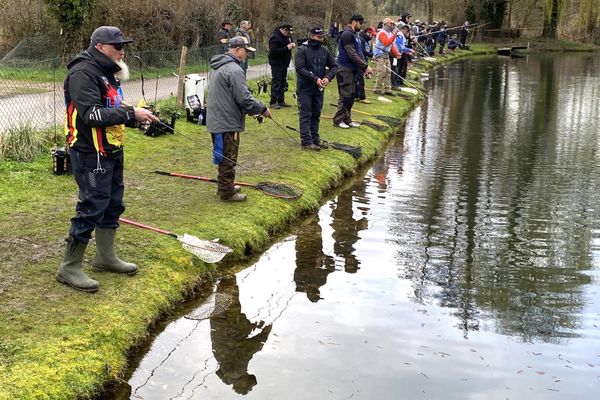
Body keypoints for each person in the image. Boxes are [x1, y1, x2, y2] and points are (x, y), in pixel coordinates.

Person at [57, 26, 158, 293]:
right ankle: (70, 267)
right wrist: (130, 114)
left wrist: (139, 117)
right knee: (92, 205)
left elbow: (112, 108)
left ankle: (105, 257)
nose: (122, 51)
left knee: (113, 203)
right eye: (118, 46)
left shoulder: (108, 73)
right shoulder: (83, 73)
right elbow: (91, 115)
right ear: (100, 47)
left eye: (123, 45)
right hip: (90, 153)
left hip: (112, 149)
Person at [207, 36, 271, 202]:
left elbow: (233, 96)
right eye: (245, 51)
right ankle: (227, 193)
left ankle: (225, 186)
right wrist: (262, 109)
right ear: (237, 50)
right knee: (229, 156)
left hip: (218, 119)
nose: (247, 55)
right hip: (226, 122)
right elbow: (244, 98)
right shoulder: (234, 70)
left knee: (224, 155)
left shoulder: (219, 66)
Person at [295, 27, 338, 151]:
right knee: (305, 114)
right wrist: (315, 78)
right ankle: (306, 141)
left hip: (319, 89)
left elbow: (334, 66)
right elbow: (300, 68)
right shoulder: (302, 50)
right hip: (304, 88)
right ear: (312, 36)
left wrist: (328, 78)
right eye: (319, 37)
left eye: (322, 37)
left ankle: (315, 139)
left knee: (316, 114)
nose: (321, 39)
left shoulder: (325, 50)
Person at [333, 14, 373, 129]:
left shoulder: (355, 35)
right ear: (354, 22)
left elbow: (359, 53)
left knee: (351, 95)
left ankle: (347, 119)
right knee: (345, 95)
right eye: (360, 23)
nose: (361, 26)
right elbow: (351, 54)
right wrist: (364, 67)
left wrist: (364, 68)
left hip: (354, 69)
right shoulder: (346, 35)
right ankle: (338, 120)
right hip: (345, 68)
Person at [268, 22, 295, 109]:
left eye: (289, 33)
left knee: (283, 82)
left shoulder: (288, 36)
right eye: (287, 32)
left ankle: (281, 100)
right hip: (276, 63)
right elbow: (273, 51)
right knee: (276, 82)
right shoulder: (275, 38)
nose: (288, 34)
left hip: (284, 63)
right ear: (282, 29)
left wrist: (292, 44)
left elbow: (290, 42)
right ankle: (273, 101)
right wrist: (287, 48)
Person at [372, 18, 399, 95]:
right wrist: (394, 35)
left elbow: (391, 45)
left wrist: (396, 52)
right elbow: (386, 43)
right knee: (382, 71)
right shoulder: (382, 33)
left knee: (388, 72)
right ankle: (377, 88)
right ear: (386, 24)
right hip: (379, 54)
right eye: (391, 24)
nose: (393, 26)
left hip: (386, 54)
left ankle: (388, 89)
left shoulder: (389, 33)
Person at [355, 26, 375, 104]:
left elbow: (368, 51)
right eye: (372, 34)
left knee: (358, 79)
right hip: (359, 62)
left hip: (364, 61)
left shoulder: (367, 41)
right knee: (360, 80)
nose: (372, 36)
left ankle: (356, 96)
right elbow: (362, 51)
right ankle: (362, 97)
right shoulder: (361, 39)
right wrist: (371, 55)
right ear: (368, 32)